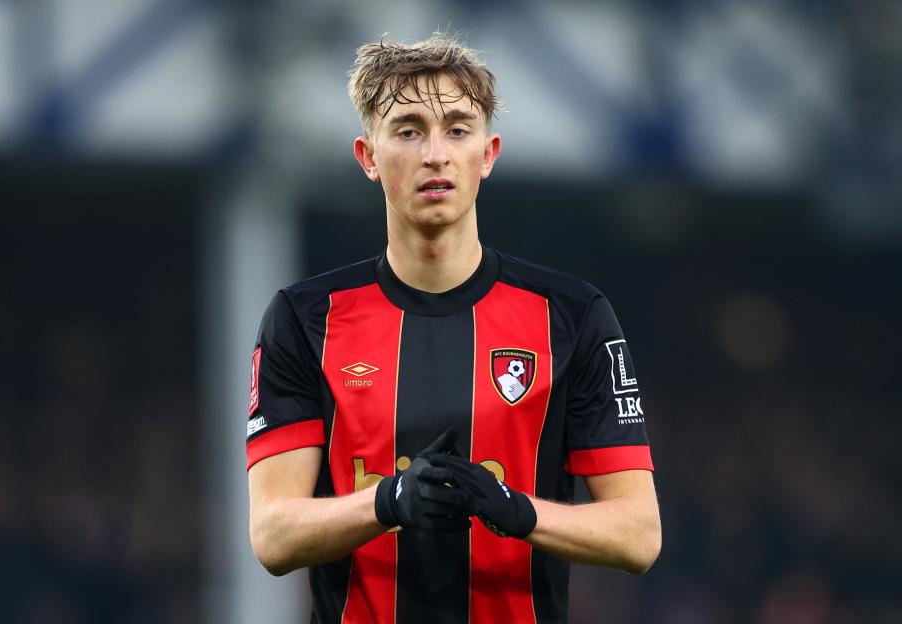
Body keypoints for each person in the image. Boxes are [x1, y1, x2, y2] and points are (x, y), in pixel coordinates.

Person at [246, 32, 661, 623]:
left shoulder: (573, 316)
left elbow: (639, 534)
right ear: (368, 156)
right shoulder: (304, 318)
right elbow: (272, 534)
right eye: (409, 130)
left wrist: (518, 512)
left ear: (488, 154)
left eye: (458, 130)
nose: (435, 154)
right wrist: (390, 500)